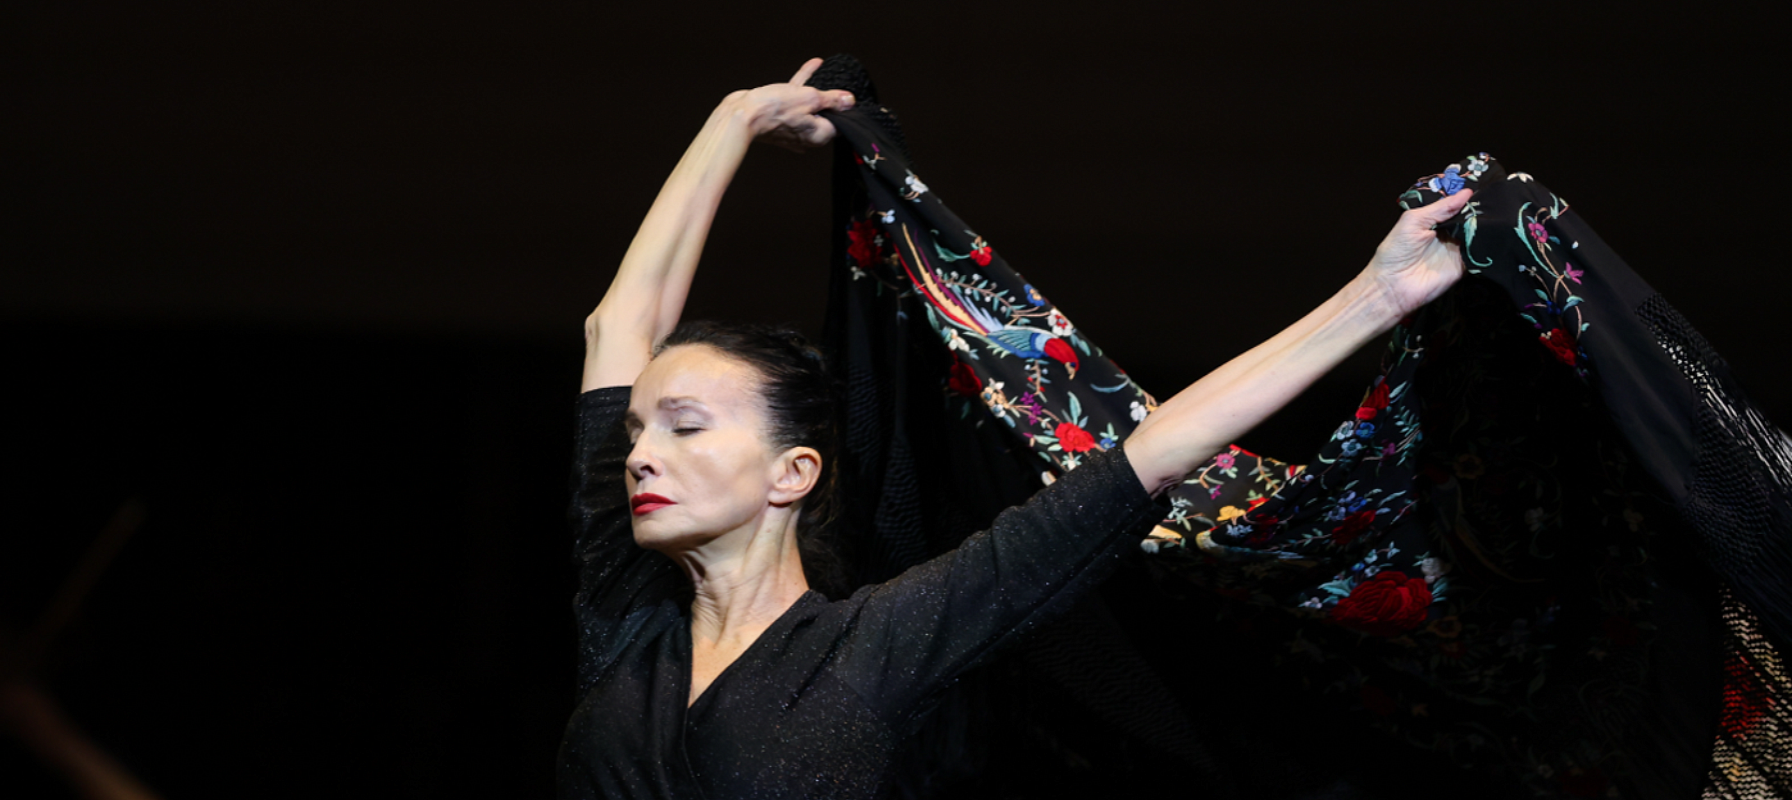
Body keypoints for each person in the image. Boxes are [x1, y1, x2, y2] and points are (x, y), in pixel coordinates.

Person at [557, 57, 1474, 799]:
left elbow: (1150, 456)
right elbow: (616, 328)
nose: (638, 455)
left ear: (792, 473)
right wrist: (736, 118)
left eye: (683, 426)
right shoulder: (625, 614)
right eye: (637, 432)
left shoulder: (882, 640)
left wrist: (1377, 297)